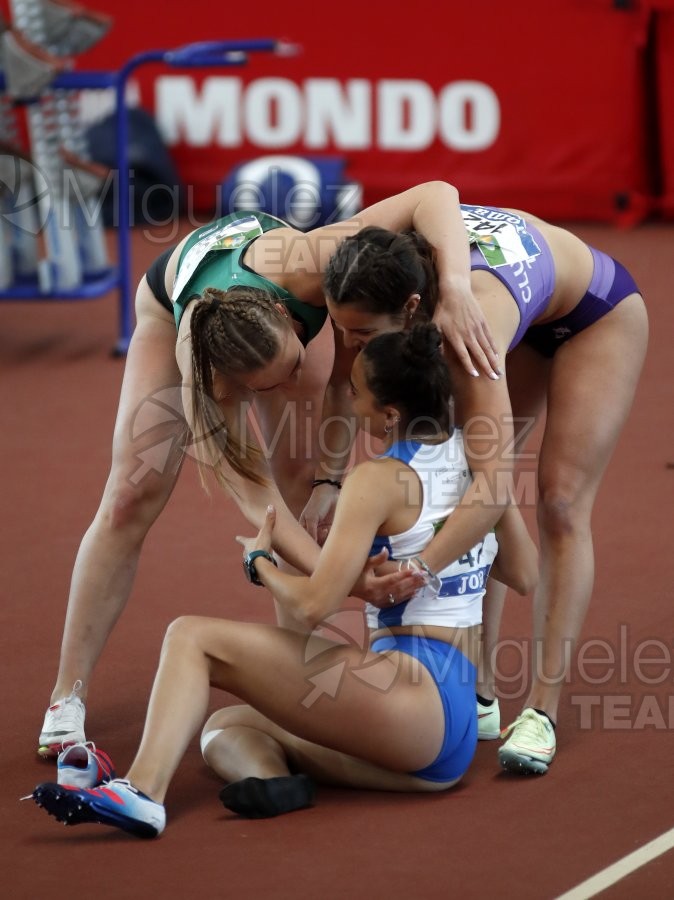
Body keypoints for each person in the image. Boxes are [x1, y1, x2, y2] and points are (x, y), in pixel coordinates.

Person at [37, 184, 502, 758]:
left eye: (294, 366)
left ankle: (296, 686)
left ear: (288, 315)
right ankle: (67, 695)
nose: (284, 393)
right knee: (132, 498)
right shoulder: (204, 383)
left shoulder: (309, 262)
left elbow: (436, 194)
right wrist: (351, 580)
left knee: (306, 485)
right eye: (266, 389)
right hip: (171, 305)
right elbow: (263, 513)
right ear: (232, 387)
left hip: (256, 279)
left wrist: (454, 288)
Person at [29, 324, 538, 836]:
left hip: (410, 702)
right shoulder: (477, 465)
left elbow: (315, 607)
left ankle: (142, 794)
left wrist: (261, 563)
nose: (348, 399)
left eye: (356, 392)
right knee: (225, 727)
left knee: (191, 637)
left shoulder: (376, 480)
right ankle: (274, 780)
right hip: (448, 745)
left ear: (390, 414)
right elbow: (524, 572)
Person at [321, 204, 648, 774]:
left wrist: (418, 569)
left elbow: (494, 491)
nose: (349, 345)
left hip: (594, 312)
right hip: (516, 307)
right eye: (340, 329)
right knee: (461, 470)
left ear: (411, 310)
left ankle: (542, 711)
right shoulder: (373, 266)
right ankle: (482, 688)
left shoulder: (467, 335)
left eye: (363, 334)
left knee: (559, 501)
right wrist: (326, 485)